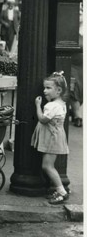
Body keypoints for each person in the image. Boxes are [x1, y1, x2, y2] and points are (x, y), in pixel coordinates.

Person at [31, 71, 70, 204]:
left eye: (48, 88)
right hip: (55, 137)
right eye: (44, 87)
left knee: (47, 166)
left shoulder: (51, 106)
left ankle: (62, 192)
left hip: (52, 139)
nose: (44, 91)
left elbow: (42, 119)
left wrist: (37, 105)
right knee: (48, 165)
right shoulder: (61, 104)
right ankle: (60, 189)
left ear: (58, 90)